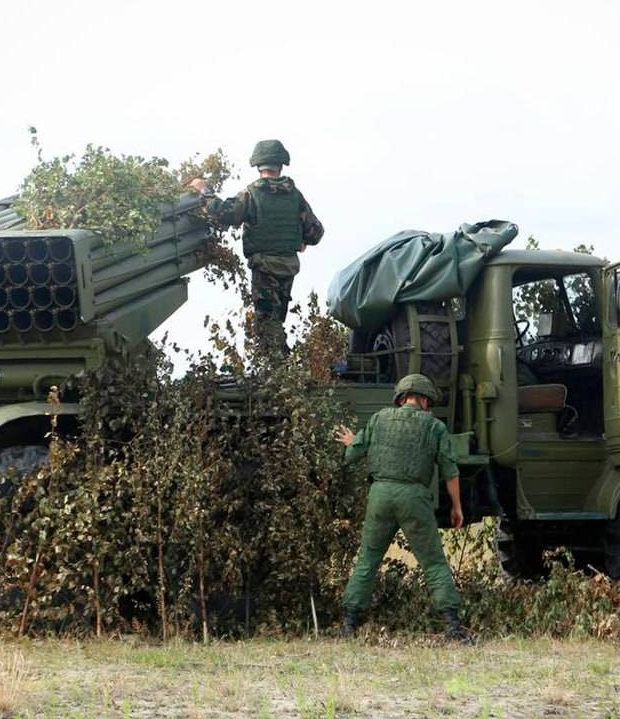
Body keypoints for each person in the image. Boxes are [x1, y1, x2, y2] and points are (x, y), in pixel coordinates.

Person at [333, 373, 470, 642]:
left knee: (368, 559)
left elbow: (352, 454)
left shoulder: (378, 418)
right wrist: (457, 507)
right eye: (428, 401)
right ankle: (453, 625)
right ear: (422, 399)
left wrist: (352, 442)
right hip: (414, 498)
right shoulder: (435, 427)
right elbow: (450, 471)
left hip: (380, 495)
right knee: (433, 563)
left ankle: (348, 624)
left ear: (401, 397)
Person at [189, 139, 324, 354]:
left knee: (266, 326)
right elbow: (316, 232)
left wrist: (204, 190)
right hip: (288, 268)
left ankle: (275, 372)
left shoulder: (252, 194)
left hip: (264, 268)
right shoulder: (295, 196)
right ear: (281, 165)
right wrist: (302, 240)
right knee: (276, 320)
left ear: (258, 165)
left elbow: (224, 213)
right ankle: (280, 371)